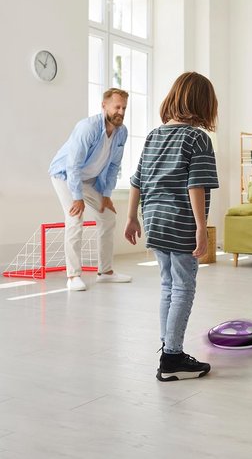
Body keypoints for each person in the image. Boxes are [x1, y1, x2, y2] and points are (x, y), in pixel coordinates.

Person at [124, 72, 219, 381]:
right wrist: (201, 228)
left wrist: (131, 217)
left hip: (154, 219)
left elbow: (137, 180)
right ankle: (173, 358)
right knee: (183, 287)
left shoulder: (154, 135)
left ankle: (169, 349)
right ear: (204, 104)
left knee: (167, 285)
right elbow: (196, 185)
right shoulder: (197, 138)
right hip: (180, 221)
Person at [49, 88, 133, 291]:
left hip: (90, 180)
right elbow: (73, 165)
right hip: (65, 176)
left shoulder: (122, 132)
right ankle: (73, 276)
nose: (120, 112)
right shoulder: (87, 128)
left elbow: (114, 166)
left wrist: (106, 195)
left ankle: (105, 272)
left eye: (124, 108)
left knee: (108, 217)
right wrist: (77, 197)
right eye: (117, 107)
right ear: (104, 106)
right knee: (75, 218)